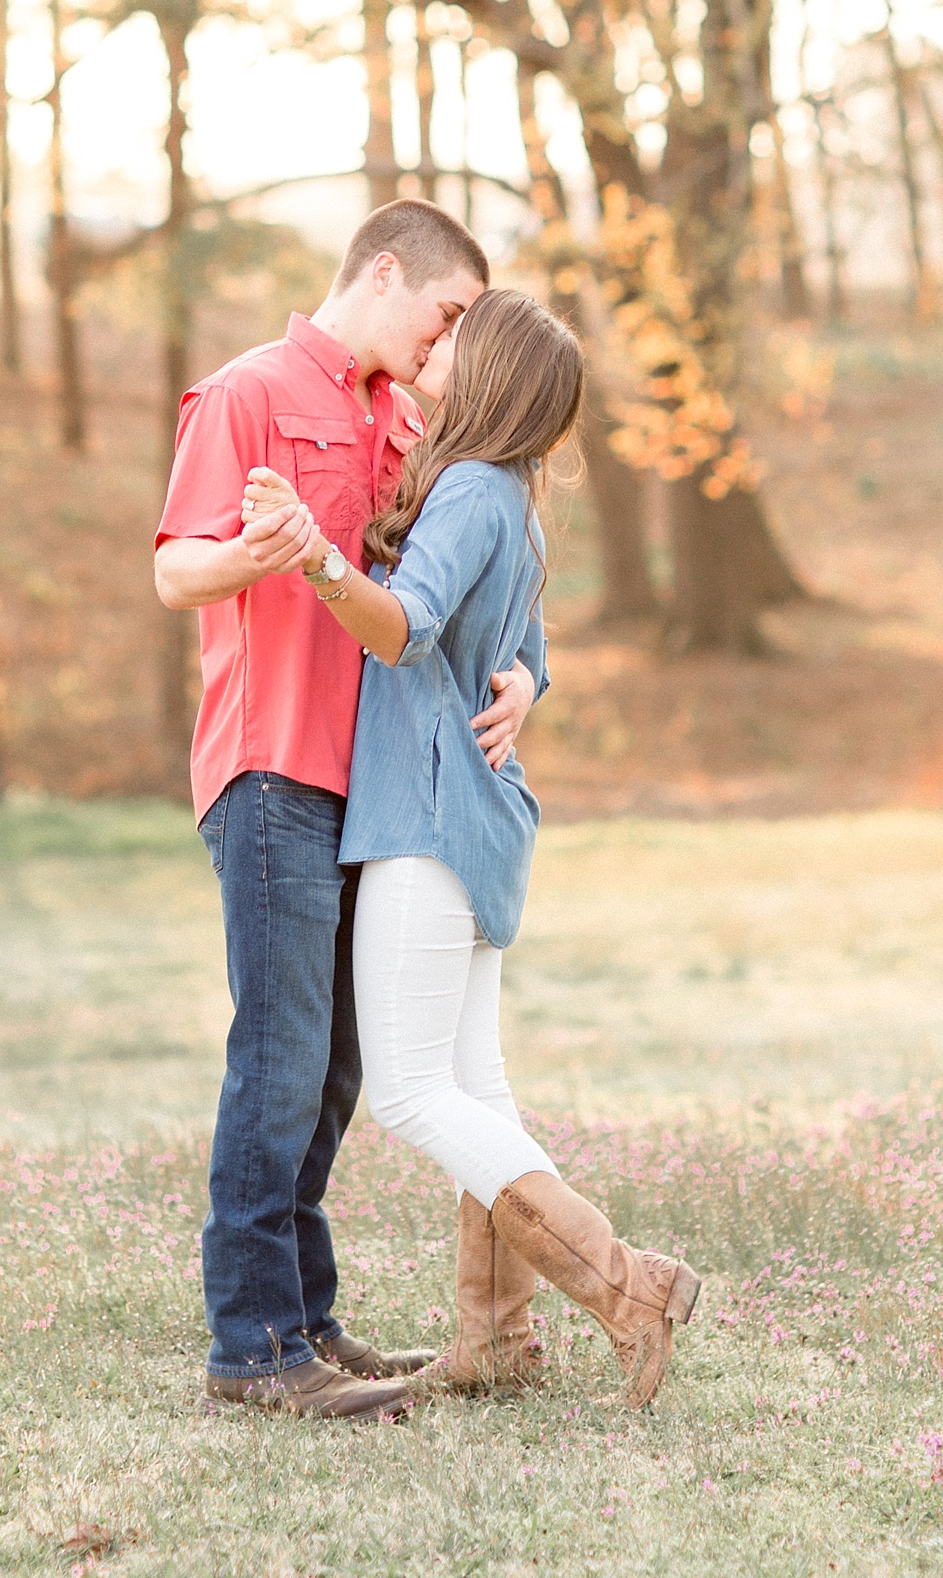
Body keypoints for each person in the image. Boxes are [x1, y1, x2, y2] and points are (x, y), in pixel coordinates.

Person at [245, 288, 700, 1411]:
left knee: (406, 1089)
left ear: (486, 373)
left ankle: (627, 1286)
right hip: (488, 819)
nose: (433, 347)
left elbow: (402, 629)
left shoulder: (465, 492)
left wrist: (315, 560)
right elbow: (528, 655)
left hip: (429, 818)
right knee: (473, 1086)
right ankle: (496, 1341)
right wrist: (525, 686)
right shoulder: (521, 507)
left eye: (455, 339)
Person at [153, 200, 538, 1421]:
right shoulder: (248, 394)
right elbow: (175, 569)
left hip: (379, 795)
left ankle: (305, 1320)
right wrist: (279, 547)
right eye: (446, 313)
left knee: (335, 1069)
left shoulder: (406, 422)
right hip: (274, 771)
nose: (448, 342)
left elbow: (454, 590)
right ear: (385, 274)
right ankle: (253, 1353)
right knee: (278, 1058)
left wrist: (526, 672)